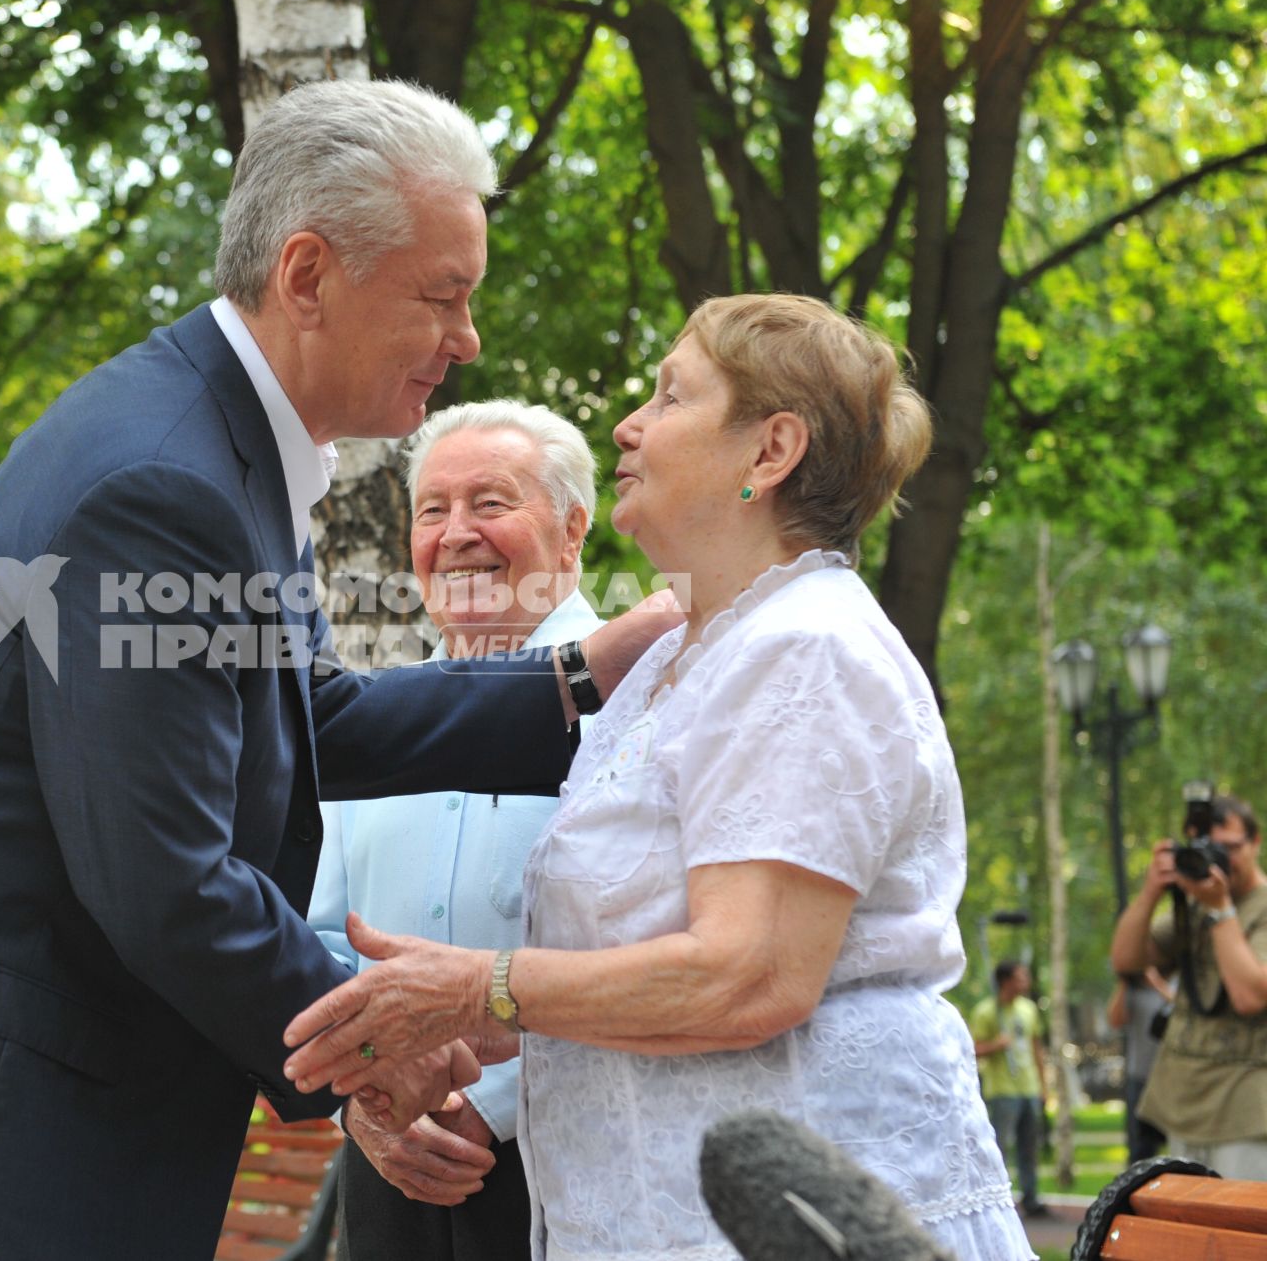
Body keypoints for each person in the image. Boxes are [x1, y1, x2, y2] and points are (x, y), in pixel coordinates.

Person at [0, 79, 679, 1261]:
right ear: (310, 274)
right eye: (444, 295)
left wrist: (579, 674)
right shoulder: (163, 487)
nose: (467, 340)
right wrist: (376, 1045)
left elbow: (317, 716)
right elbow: (163, 878)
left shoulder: (228, 451)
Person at [281, 293, 1034, 1260]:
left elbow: (747, 974)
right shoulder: (679, 666)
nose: (629, 425)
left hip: (799, 1219)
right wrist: (431, 1041)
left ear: (770, 452)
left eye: (671, 397)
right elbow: (632, 965)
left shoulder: (807, 649)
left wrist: (477, 990)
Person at [308, 400, 601, 1260]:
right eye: (432, 510)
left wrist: (489, 1099)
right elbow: (319, 931)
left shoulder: (639, 702)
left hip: (577, 1160)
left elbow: (657, 940)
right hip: (385, 1163)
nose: (457, 533)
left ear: (573, 531)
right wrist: (360, 1097)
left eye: (492, 503)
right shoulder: (371, 719)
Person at [1110, 796, 1267, 1178]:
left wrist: (1221, 910)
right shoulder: (1193, 908)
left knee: (1242, 1234)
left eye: (1229, 848)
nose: (1220, 860)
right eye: (1210, 849)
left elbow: (1250, 996)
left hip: (1246, 1116)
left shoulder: (1252, 906)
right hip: (1183, 1108)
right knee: (1192, 1232)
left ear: (1256, 842)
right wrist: (1151, 892)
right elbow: (1126, 960)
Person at [969, 960, 1049, 1215]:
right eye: (1020, 977)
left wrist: (1043, 1084)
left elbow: (1037, 1047)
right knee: (1000, 1146)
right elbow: (972, 1049)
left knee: (1029, 1146)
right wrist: (996, 1045)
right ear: (1005, 981)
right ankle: (997, 1196)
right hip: (1002, 1090)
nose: (1025, 981)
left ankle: (1031, 1197)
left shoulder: (1028, 1009)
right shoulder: (986, 1012)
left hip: (1028, 1088)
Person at [1108, 965, 1175, 1164]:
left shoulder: (1177, 981)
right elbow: (1115, 1020)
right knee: (1140, 1148)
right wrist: (1123, 982)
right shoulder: (1132, 991)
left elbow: (1182, 1009)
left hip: (1173, 1079)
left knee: (1179, 1145)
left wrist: (1157, 983)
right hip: (1140, 1077)